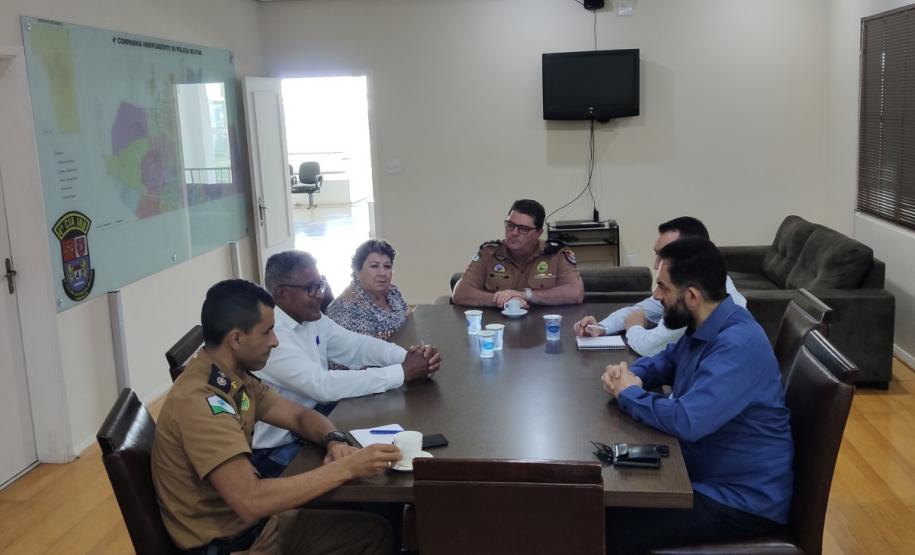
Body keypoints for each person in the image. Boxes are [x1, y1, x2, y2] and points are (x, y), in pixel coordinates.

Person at [151, 279, 399, 554]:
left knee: (374, 531)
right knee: (369, 522)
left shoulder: (233, 376)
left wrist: (334, 440)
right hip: (235, 544)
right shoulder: (201, 402)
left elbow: (298, 416)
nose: (275, 341)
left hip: (260, 527)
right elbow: (250, 501)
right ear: (236, 339)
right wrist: (347, 468)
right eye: (267, 332)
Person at [601, 238, 793, 554]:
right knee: (600, 496)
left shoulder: (737, 345)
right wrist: (636, 375)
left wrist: (630, 394)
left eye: (662, 288)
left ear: (691, 296)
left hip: (741, 500)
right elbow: (669, 359)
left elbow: (687, 420)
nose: (655, 296)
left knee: (607, 524)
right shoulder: (705, 324)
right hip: (704, 471)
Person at [251, 250, 441, 476]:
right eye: (310, 288)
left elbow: (355, 345)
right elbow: (322, 386)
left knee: (390, 453)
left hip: (318, 427)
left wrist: (408, 357)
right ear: (282, 294)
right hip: (280, 450)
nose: (320, 294)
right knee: (377, 472)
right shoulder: (271, 335)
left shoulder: (311, 317)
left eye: (320, 284)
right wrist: (403, 372)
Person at [574, 216, 747, 356]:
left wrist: (634, 327)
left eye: (665, 256)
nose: (656, 265)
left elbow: (650, 347)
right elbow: (640, 310)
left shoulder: (702, 303)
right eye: (657, 255)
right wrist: (601, 328)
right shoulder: (687, 286)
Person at [451, 198, 584, 308]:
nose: (514, 233)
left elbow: (575, 293)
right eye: (510, 225)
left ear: (539, 233)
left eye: (523, 229)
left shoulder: (556, 254)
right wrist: (505, 300)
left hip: (542, 328)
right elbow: (460, 293)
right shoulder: (489, 253)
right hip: (496, 328)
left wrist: (525, 295)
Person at [326, 239, 409, 340]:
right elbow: (363, 352)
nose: (382, 273)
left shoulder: (393, 292)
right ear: (357, 271)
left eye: (387, 266)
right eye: (374, 266)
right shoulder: (346, 308)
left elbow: (409, 320)